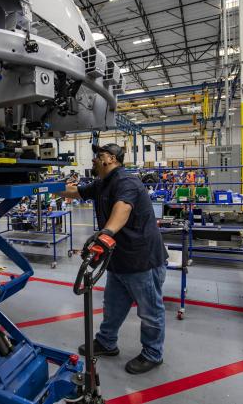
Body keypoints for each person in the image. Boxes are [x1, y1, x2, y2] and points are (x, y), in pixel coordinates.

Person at [59, 143, 169, 375]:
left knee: (150, 311)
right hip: (119, 258)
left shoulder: (126, 182)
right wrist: (44, 187)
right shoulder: (102, 184)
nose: (93, 161)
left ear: (110, 158)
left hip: (142, 260)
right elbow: (74, 192)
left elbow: (123, 208)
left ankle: (152, 353)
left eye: (98, 157)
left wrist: (105, 234)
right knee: (113, 306)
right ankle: (107, 342)